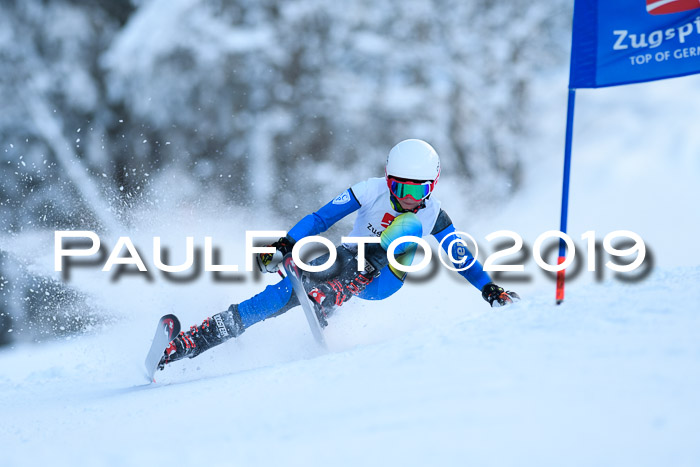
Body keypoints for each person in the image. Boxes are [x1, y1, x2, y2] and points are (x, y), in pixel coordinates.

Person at [158, 139, 519, 369]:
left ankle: (329, 296)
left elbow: (461, 257)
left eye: (417, 189)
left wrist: (490, 289)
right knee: (284, 291)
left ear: (433, 185)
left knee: (405, 228)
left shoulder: (433, 214)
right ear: (387, 179)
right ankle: (193, 340)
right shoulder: (369, 190)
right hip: (347, 259)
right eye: (399, 186)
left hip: (387, 276)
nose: (407, 196)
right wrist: (287, 243)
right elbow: (321, 217)